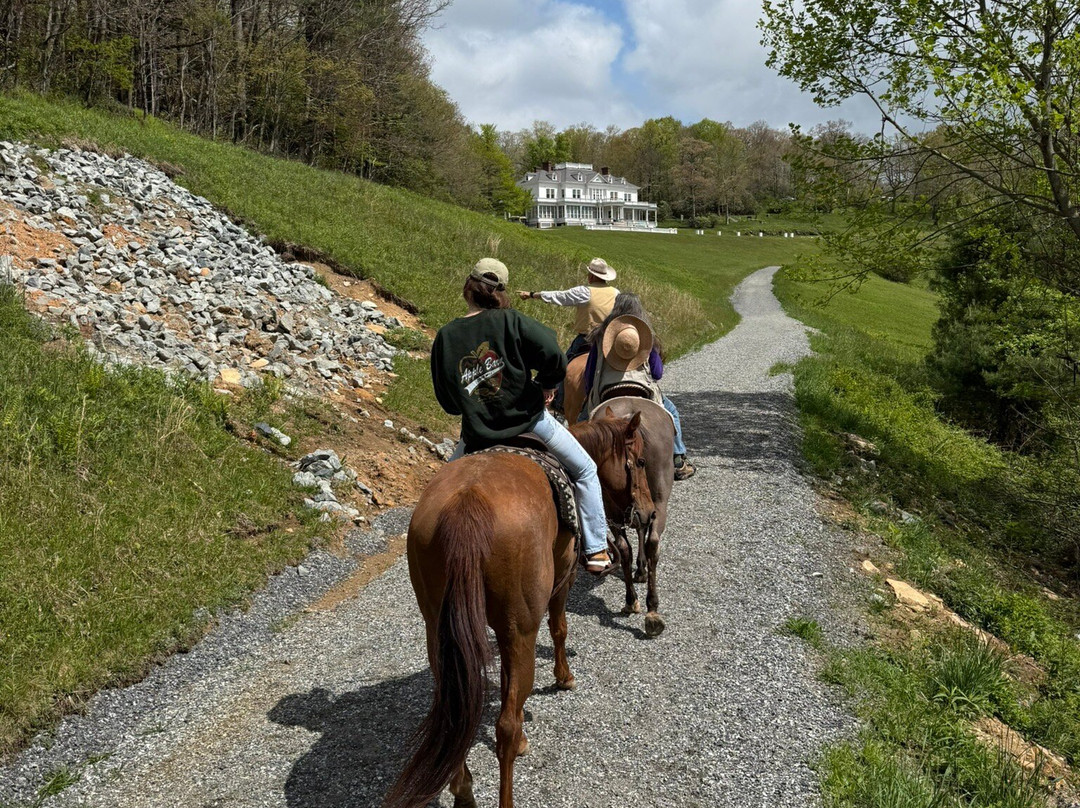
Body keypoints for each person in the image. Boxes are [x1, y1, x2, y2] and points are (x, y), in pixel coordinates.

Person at [431, 257, 612, 574]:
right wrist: (544, 385)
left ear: (467, 288)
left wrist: (474, 401)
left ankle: (430, 558)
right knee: (585, 470)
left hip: (476, 435)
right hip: (531, 422)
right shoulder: (513, 321)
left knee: (436, 495)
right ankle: (596, 549)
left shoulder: (447, 335)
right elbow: (553, 354)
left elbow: (449, 403)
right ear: (500, 293)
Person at [581, 293, 697, 481]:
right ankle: (678, 460)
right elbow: (658, 373)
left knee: (582, 420)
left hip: (606, 392)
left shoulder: (599, 336)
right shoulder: (644, 336)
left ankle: (577, 463)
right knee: (672, 412)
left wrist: (588, 394)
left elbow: (589, 373)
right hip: (642, 391)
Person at [518, 257, 620, 361]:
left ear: (592, 276)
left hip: (588, 339)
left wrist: (532, 294)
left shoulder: (584, 292)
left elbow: (559, 296)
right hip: (609, 341)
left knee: (564, 367)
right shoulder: (616, 293)